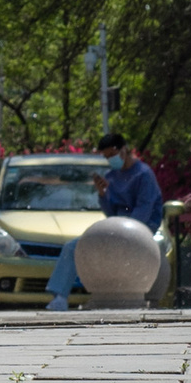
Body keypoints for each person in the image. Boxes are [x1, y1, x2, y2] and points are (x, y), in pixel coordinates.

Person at [46, 129, 166, 310]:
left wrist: (125, 235)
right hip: (116, 230)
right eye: (107, 157)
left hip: (141, 233)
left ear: (124, 150)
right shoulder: (111, 177)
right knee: (73, 247)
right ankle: (60, 297)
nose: (111, 160)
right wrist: (102, 194)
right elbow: (111, 213)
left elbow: (144, 211)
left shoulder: (143, 175)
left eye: (113, 155)